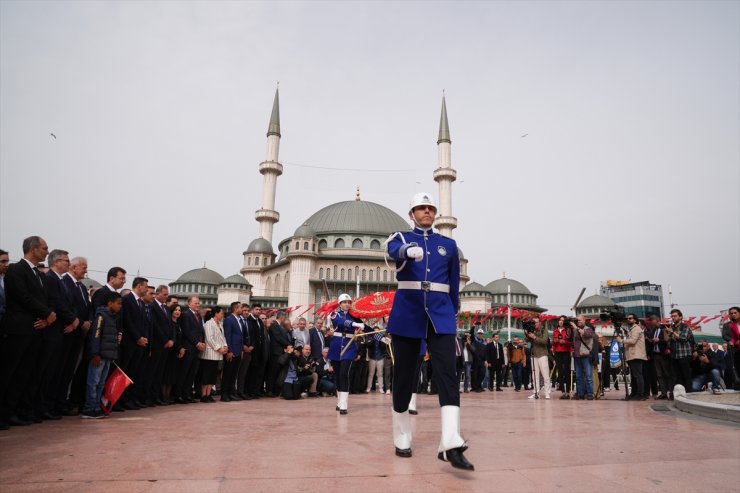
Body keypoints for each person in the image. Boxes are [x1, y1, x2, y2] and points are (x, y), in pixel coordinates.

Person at [385, 192, 473, 470]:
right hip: (408, 312)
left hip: (440, 313)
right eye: (421, 209)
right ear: (411, 214)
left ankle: (450, 441)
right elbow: (390, 251)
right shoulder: (400, 237)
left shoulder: (447, 244)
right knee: (404, 377)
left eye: (430, 208)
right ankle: (401, 434)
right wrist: (405, 252)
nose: (427, 212)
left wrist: (454, 308)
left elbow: (453, 281)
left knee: (448, 372)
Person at [0, 236, 56, 428]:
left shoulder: (40, 275)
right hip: (17, 329)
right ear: (32, 249)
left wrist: (46, 318)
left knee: (26, 374)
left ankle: (15, 411)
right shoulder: (16, 269)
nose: (47, 252)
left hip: (35, 329)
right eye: (44, 248)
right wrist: (47, 313)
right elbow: (22, 296)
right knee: (10, 372)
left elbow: (44, 299)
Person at [81, 291, 122, 419]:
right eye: (118, 303)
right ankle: (89, 408)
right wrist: (95, 354)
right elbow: (96, 336)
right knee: (93, 382)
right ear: (110, 303)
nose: (120, 306)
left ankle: (96, 407)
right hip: (99, 356)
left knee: (101, 383)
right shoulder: (100, 317)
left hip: (107, 356)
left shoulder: (111, 317)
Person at [328, 293, 371, 415]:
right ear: (340, 304)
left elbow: (367, 329)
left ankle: (344, 404)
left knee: (344, 373)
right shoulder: (334, 314)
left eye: (349, 302)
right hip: (336, 346)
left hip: (349, 346)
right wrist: (354, 324)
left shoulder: (355, 316)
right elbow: (340, 322)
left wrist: (381, 338)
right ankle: (339, 401)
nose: (347, 304)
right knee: (337, 375)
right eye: (344, 302)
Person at [199, 306, 228, 402]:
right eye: (221, 313)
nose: (222, 315)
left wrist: (225, 346)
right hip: (209, 353)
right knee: (206, 375)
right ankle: (204, 395)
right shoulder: (209, 324)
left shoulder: (220, 324)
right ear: (216, 313)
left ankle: (208, 394)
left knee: (213, 376)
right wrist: (219, 348)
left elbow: (222, 337)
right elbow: (209, 339)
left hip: (217, 355)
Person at [617, 314, 647, 400]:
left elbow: (633, 341)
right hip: (632, 355)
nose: (628, 320)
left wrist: (621, 340)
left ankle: (640, 395)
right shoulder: (632, 329)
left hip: (636, 355)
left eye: (630, 318)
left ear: (635, 320)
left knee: (638, 376)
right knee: (634, 377)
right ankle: (634, 393)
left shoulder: (636, 328)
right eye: (627, 318)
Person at [666, 309, 693, 392]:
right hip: (674, 355)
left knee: (686, 376)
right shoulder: (672, 327)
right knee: (677, 377)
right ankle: (680, 395)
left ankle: (689, 394)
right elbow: (669, 340)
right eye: (672, 316)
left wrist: (672, 332)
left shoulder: (685, 326)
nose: (673, 318)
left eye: (675, 316)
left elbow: (683, 338)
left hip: (684, 355)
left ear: (680, 317)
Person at [221, 302, 243, 402]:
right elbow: (227, 336)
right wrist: (229, 350)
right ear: (235, 309)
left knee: (234, 374)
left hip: (238, 351)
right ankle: (224, 394)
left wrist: (241, 350)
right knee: (228, 373)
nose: (242, 309)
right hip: (231, 351)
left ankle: (231, 393)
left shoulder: (240, 320)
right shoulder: (229, 320)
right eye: (241, 307)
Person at [526, 317, 551, 399]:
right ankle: (536, 393)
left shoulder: (544, 330)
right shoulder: (532, 330)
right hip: (534, 355)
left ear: (540, 323)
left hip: (542, 354)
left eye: (536, 322)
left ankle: (547, 393)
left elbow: (544, 341)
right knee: (534, 376)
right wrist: (527, 333)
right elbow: (527, 340)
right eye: (534, 322)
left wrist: (535, 337)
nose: (535, 324)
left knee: (545, 375)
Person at [570, 315, 594, 400]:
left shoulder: (588, 329)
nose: (578, 321)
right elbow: (570, 339)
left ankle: (590, 394)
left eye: (580, 320)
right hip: (577, 356)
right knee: (578, 377)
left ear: (584, 320)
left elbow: (586, 334)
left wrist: (575, 327)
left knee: (588, 376)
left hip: (586, 355)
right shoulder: (575, 330)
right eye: (577, 320)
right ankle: (580, 394)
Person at [552, 316, 572, 399]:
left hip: (566, 352)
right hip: (557, 353)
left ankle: (568, 391)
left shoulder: (568, 330)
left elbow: (571, 342)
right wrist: (554, 341)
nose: (561, 322)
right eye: (560, 320)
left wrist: (564, 342)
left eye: (563, 320)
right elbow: (553, 344)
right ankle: (562, 391)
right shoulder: (555, 331)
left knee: (567, 372)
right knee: (559, 372)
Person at [720, 306, 740, 390]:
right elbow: (725, 335)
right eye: (731, 313)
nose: (733, 315)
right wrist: (733, 341)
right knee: (736, 367)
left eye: (735, 313)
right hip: (734, 349)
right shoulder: (727, 325)